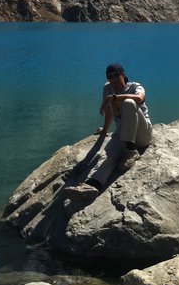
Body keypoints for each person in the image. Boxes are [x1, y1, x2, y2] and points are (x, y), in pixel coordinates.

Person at [63, 63, 152, 201]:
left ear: (123, 74)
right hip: (123, 132)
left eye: (116, 75)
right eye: (110, 77)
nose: (113, 79)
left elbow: (140, 99)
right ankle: (91, 186)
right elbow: (109, 113)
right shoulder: (108, 88)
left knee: (129, 102)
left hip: (142, 133)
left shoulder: (135, 86)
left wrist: (115, 98)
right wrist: (105, 130)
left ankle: (131, 151)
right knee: (107, 155)